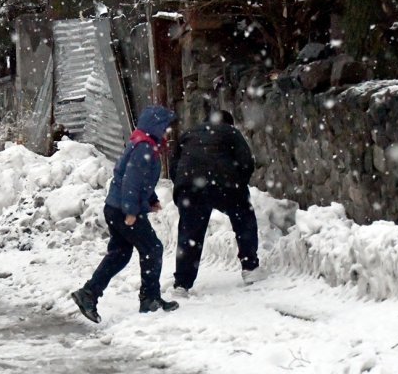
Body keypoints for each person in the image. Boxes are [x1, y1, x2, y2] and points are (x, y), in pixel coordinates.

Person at [71, 105, 180, 323]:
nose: (168, 131)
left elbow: (138, 179)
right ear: (156, 127)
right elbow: (131, 181)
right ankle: (149, 298)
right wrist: (131, 211)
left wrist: (151, 200)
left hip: (115, 207)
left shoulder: (143, 144)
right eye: (166, 127)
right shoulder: (144, 149)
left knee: (120, 253)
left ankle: (88, 293)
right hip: (123, 210)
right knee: (152, 248)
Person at [170, 110, 265, 295]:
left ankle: (182, 284)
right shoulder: (230, 132)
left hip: (190, 185)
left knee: (190, 233)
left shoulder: (189, 134)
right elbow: (246, 161)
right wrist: (238, 184)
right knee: (243, 217)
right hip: (225, 183)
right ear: (228, 123)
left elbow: (175, 165)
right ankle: (250, 268)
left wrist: (185, 188)